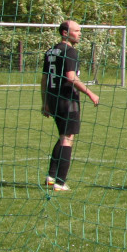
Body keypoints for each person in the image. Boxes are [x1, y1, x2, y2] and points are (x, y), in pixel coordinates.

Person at [40, 20, 100, 191]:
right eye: (77, 31)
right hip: (67, 99)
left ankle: (51, 176)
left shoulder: (51, 51)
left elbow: (44, 79)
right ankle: (60, 182)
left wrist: (45, 102)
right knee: (68, 138)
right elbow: (71, 77)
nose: (80, 33)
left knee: (63, 136)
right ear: (65, 33)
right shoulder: (70, 51)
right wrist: (90, 93)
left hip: (53, 98)